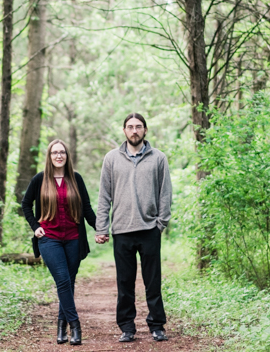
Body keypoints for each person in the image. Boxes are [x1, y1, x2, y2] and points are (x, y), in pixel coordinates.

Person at [95, 113, 172, 343]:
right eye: (130, 127)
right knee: (125, 283)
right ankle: (127, 327)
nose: (134, 130)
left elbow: (165, 193)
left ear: (145, 130)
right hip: (122, 231)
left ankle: (157, 326)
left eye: (138, 126)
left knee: (153, 282)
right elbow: (104, 196)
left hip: (149, 229)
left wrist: (161, 223)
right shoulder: (111, 159)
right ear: (124, 131)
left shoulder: (158, 158)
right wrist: (102, 228)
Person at [22, 139, 97, 346]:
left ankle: (60, 327)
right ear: (49, 156)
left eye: (62, 152)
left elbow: (87, 209)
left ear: (67, 155)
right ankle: (75, 326)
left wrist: (100, 228)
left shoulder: (76, 179)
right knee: (63, 280)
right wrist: (35, 226)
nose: (58, 156)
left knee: (69, 283)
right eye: (54, 152)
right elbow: (26, 204)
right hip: (49, 239)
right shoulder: (40, 179)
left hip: (74, 238)